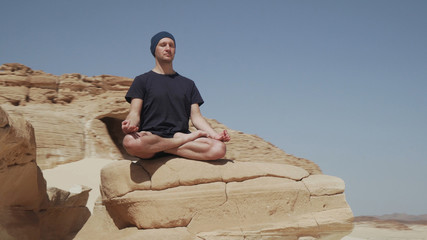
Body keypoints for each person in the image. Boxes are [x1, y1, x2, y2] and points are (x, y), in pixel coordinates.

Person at [122, 31, 230, 161]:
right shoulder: (142, 80)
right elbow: (134, 113)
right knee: (130, 142)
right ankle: (174, 143)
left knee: (219, 148)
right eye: (163, 45)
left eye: (171, 45)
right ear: (154, 50)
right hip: (153, 136)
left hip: (174, 138)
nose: (168, 48)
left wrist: (214, 135)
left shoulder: (188, 84)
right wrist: (129, 125)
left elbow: (196, 117)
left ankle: (165, 146)